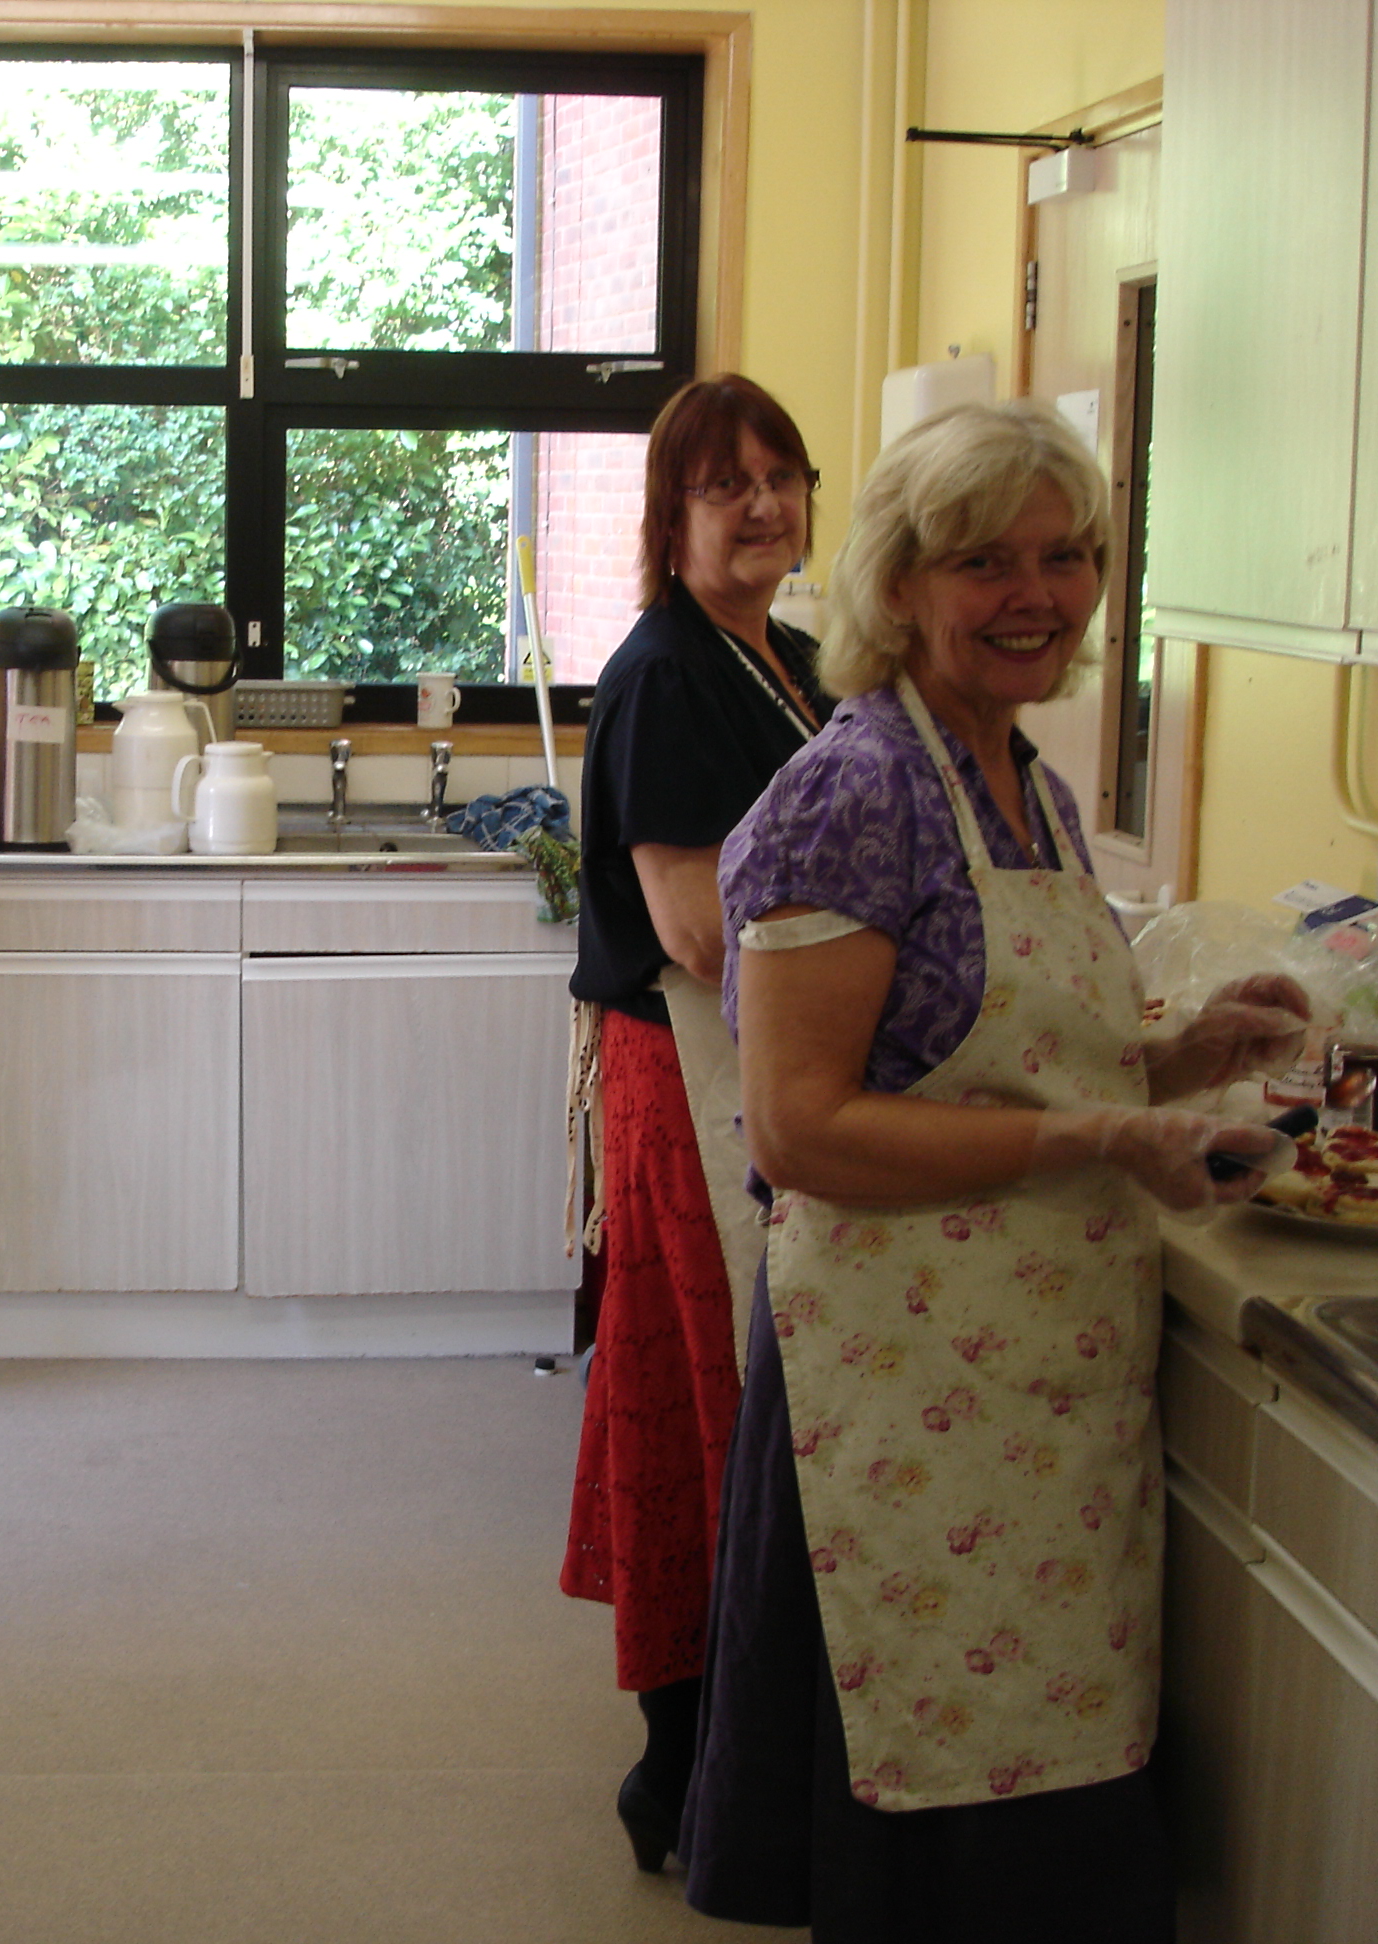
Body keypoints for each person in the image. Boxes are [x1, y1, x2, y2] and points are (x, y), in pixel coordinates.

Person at [676, 400, 1309, 1939]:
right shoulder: (861, 792)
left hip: (1032, 1394)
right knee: (937, 1838)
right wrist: (1109, 1135)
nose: (1039, 593)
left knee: (1036, 1807)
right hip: (896, 1402)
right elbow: (804, 1128)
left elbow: (987, 1059)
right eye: (986, 562)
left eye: (1069, 554)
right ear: (901, 584)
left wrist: (1177, 1062)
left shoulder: (1023, 783)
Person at [562, 374, 831, 1871]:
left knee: (736, 1392)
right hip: (690, 1061)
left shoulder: (789, 658)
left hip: (764, 1055)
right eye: (725, 484)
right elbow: (694, 927)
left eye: (782, 476)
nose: (762, 506)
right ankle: (685, 1758)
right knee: (700, 1386)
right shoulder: (667, 668)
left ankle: (730, 1738)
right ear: (671, 516)